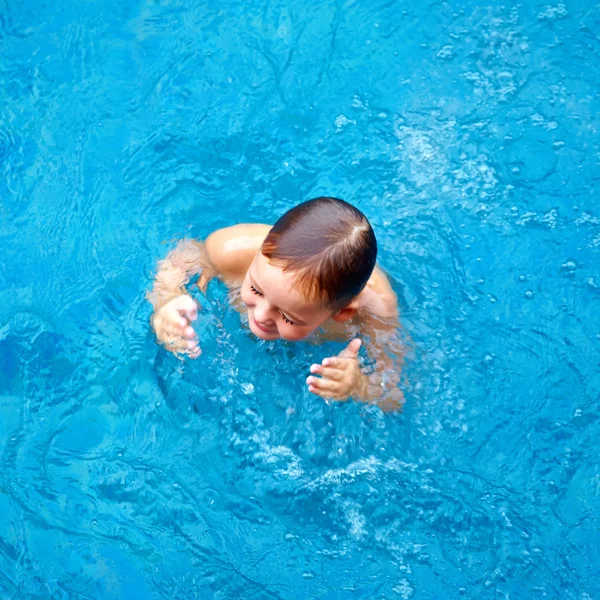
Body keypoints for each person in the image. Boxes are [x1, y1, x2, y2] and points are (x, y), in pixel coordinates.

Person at [148, 197, 403, 410]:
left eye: (289, 317)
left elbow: (395, 396)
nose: (260, 316)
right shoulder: (231, 250)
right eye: (256, 289)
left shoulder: (375, 312)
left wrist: (359, 385)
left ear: (342, 312)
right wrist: (167, 300)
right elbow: (179, 257)